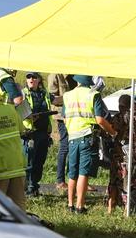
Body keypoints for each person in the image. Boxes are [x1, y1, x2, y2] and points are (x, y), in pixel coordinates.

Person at [63, 74, 116, 213]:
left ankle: (69, 204)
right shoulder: (94, 95)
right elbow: (100, 120)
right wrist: (112, 132)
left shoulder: (67, 95)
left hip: (72, 137)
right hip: (88, 137)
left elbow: (64, 117)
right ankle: (80, 206)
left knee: (72, 173)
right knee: (83, 172)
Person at [21, 72, 52, 197]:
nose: (31, 79)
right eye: (28, 77)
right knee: (29, 162)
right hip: (30, 133)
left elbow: (55, 101)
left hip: (43, 132)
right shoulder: (22, 93)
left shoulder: (44, 93)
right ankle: (28, 188)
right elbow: (17, 109)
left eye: (34, 77)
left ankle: (34, 185)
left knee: (40, 161)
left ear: (39, 79)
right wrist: (30, 117)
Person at [48, 72, 75, 193]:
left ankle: (73, 179)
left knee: (73, 146)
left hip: (73, 114)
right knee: (64, 147)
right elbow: (52, 99)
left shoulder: (74, 75)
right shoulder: (54, 75)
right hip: (61, 116)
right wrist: (70, 97)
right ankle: (60, 181)